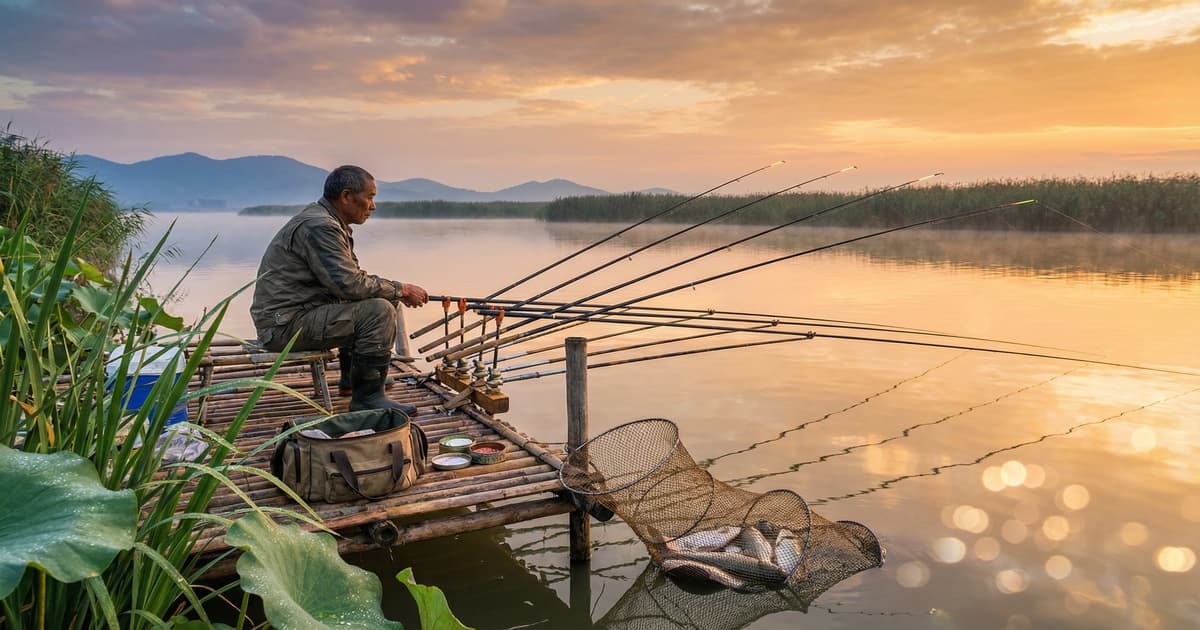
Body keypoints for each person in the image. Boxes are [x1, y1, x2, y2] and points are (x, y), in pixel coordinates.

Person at [250, 164, 429, 413]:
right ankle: (367, 399)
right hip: (283, 326)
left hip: (292, 317)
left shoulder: (327, 221)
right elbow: (350, 285)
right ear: (346, 196)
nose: (373, 206)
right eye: (370, 197)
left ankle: (352, 383)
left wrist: (395, 292)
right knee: (378, 312)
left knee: (379, 300)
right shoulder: (320, 226)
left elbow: (349, 282)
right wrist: (402, 289)